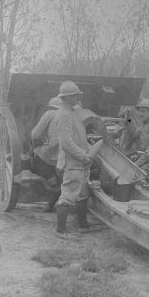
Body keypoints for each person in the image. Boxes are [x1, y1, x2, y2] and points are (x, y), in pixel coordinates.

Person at [55, 81, 92, 239]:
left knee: (82, 193)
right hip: (73, 162)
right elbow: (66, 143)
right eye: (76, 95)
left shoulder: (71, 111)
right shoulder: (64, 114)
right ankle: (60, 230)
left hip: (80, 162)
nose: (78, 97)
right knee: (69, 194)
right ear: (68, 97)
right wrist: (83, 156)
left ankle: (83, 226)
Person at [30, 96, 62, 212]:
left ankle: (50, 179)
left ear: (51, 106)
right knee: (61, 179)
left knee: (37, 159)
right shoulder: (71, 115)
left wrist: (36, 145)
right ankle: (50, 203)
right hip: (65, 156)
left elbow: (35, 135)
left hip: (48, 155)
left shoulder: (49, 114)